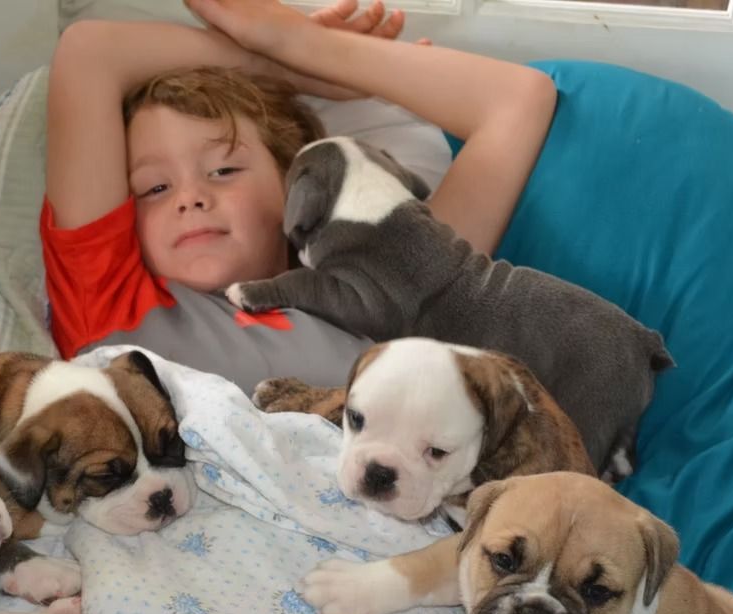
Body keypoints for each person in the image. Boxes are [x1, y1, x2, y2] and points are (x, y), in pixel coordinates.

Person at [41, 0, 557, 391]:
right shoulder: (105, 301)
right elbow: (89, 53)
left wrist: (297, 42)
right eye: (155, 188)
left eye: (224, 169)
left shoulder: (393, 278)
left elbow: (517, 101)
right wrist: (281, 69)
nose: (190, 197)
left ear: (294, 183)